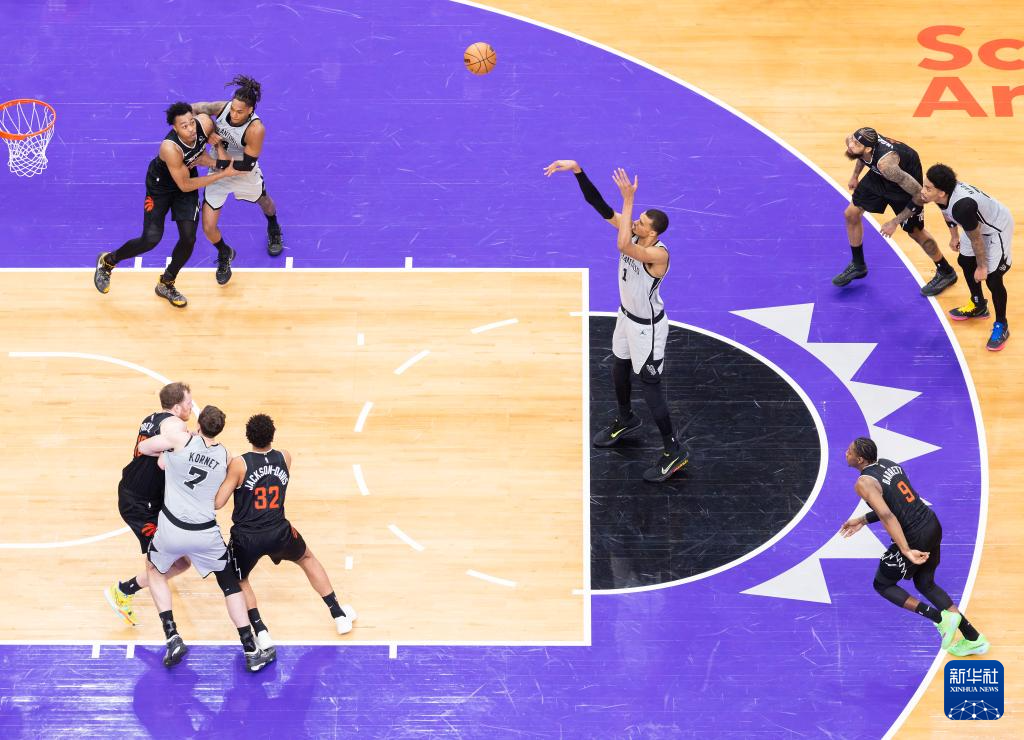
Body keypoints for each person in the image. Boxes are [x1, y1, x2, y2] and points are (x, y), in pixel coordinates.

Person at [545, 159, 688, 482]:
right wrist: (578, 171)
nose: (634, 223)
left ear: (652, 233)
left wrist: (628, 199)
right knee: (619, 367)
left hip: (648, 329)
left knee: (650, 386)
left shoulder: (659, 255)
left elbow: (622, 244)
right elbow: (598, 205)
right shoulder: (634, 233)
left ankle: (674, 450)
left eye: (641, 223)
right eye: (636, 219)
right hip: (625, 318)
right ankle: (626, 419)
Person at [138, 405, 274, 671]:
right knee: (230, 585)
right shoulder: (226, 456)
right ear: (220, 430)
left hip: (172, 528)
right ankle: (250, 648)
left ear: (198, 424)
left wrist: (170, 443)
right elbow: (221, 498)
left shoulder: (180, 440)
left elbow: (145, 448)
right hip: (205, 532)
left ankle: (172, 635)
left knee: (154, 570)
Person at [214, 414, 357, 657]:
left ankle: (261, 631)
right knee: (307, 559)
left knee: (239, 579)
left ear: (248, 437)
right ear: (273, 435)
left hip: (247, 537)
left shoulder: (239, 464)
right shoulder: (285, 457)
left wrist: (224, 474)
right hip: (279, 530)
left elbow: (218, 502)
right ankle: (338, 614)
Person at [839, 437, 988, 656]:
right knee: (925, 583)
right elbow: (898, 504)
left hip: (915, 536)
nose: (846, 453)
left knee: (883, 584)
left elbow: (888, 515)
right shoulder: (888, 464)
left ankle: (940, 619)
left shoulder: (863, 483)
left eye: (850, 451)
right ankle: (974, 638)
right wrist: (862, 520)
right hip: (931, 524)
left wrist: (906, 549)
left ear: (860, 459)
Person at [93, 102, 239, 307]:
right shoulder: (170, 148)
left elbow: (203, 143)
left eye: (191, 123)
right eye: (184, 126)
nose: (191, 129)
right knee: (151, 239)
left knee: (188, 238)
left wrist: (216, 143)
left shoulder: (205, 124)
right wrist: (222, 173)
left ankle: (166, 283)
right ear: (174, 128)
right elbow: (185, 185)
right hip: (161, 187)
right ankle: (108, 262)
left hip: (185, 178)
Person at [103, 382, 193, 626]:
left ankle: (125, 589)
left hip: (145, 495)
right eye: (188, 403)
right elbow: (165, 453)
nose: (191, 406)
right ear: (177, 407)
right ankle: (124, 593)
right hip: (140, 504)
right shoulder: (175, 425)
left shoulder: (150, 419)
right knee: (166, 563)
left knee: (182, 561)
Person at [836, 127, 957, 296]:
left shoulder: (887, 166)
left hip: (905, 185)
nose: (850, 145)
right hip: (879, 177)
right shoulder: (856, 143)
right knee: (851, 214)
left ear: (868, 148)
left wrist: (894, 222)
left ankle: (946, 271)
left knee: (916, 232)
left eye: (856, 144)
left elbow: (919, 195)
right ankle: (858, 264)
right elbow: (861, 156)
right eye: (852, 141)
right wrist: (855, 176)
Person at [192, 75, 284, 286]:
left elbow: (245, 166)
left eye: (239, 111)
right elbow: (190, 110)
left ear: (250, 110)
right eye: (232, 109)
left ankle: (273, 225)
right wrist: (207, 130)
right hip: (217, 172)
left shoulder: (256, 129)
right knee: (208, 227)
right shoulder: (221, 108)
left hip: (243, 173)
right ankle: (224, 252)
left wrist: (216, 148)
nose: (233, 114)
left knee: (264, 201)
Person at [920, 164, 1014, 351]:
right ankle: (978, 305)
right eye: (924, 185)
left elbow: (976, 240)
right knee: (964, 261)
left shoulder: (962, 206)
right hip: (974, 225)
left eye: (928, 188)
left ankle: (1002, 325)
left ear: (941, 192)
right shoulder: (941, 195)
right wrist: (954, 236)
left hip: (996, 229)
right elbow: (945, 210)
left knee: (993, 278)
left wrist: (982, 267)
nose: (923, 191)